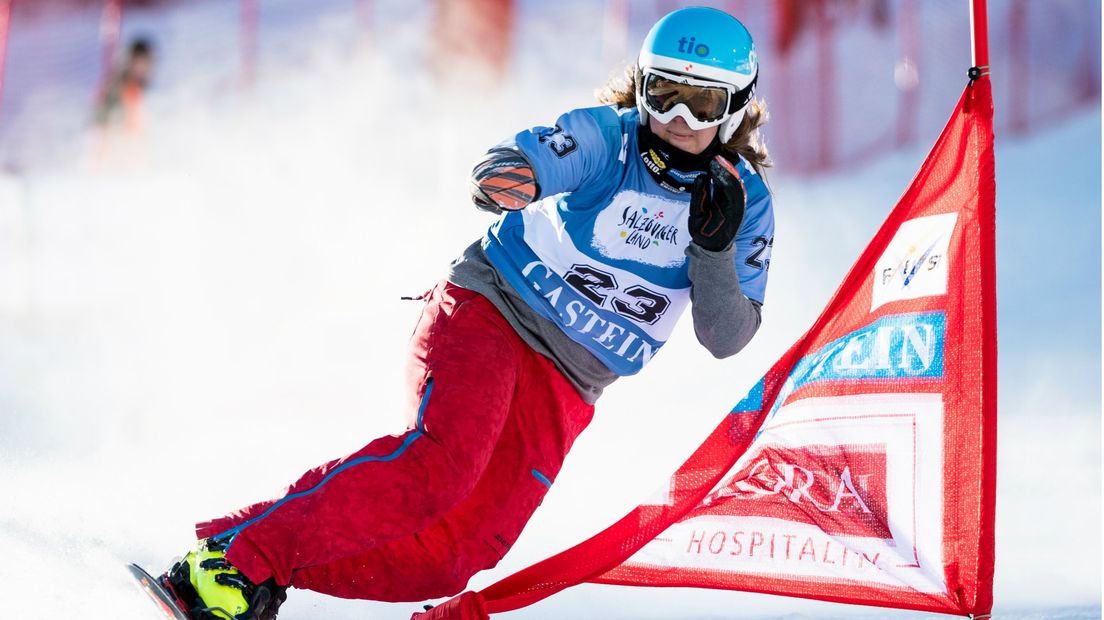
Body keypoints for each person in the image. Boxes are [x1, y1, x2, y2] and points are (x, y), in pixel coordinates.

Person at [154, 7, 773, 619]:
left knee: (454, 555)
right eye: (662, 94)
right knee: (440, 468)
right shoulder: (610, 140)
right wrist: (514, 175)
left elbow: (725, 338)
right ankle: (244, 563)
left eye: (703, 103)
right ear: (640, 87)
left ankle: (231, 557)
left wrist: (713, 251)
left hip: (568, 384)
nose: (677, 120)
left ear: (737, 106)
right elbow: (541, 155)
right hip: (493, 312)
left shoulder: (744, 203)